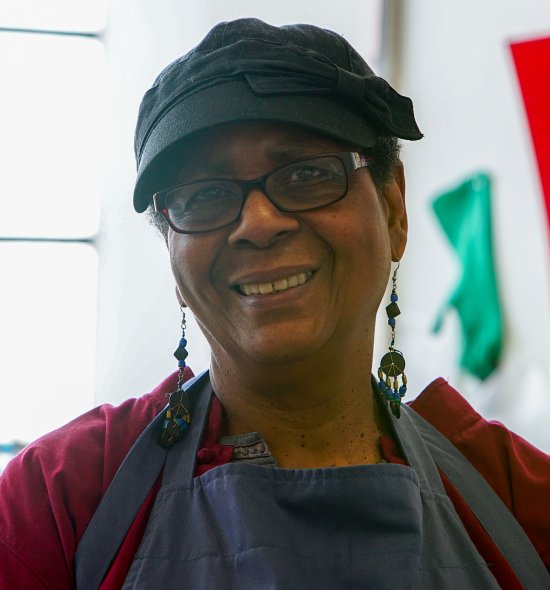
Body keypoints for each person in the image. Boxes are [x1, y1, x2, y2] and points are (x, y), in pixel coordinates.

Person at [1, 18, 549, 590]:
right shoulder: (60, 501)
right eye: (205, 194)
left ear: (393, 210)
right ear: (171, 244)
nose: (258, 224)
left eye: (308, 174)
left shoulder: (519, 501)